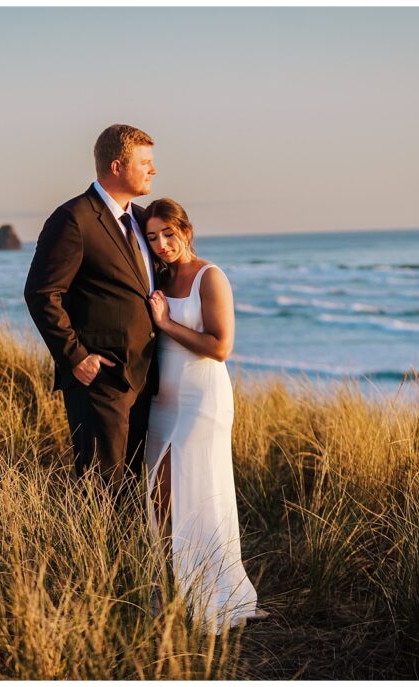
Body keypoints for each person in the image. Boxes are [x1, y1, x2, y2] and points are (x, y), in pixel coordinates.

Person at [144, 198, 267, 634]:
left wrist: (166, 323)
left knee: (194, 489)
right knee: (157, 497)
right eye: (153, 237)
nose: (161, 244)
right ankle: (169, 586)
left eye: (168, 235)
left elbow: (220, 347)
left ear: (186, 231)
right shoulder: (157, 276)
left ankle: (211, 593)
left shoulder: (209, 277)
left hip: (203, 400)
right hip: (163, 401)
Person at [23, 124, 158, 491]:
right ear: (117, 166)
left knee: (134, 488)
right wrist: (75, 357)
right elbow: (41, 292)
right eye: (145, 162)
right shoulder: (74, 219)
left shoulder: (145, 221)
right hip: (99, 379)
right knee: (100, 489)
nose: (153, 170)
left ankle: (130, 551)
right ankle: (93, 551)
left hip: (145, 377)